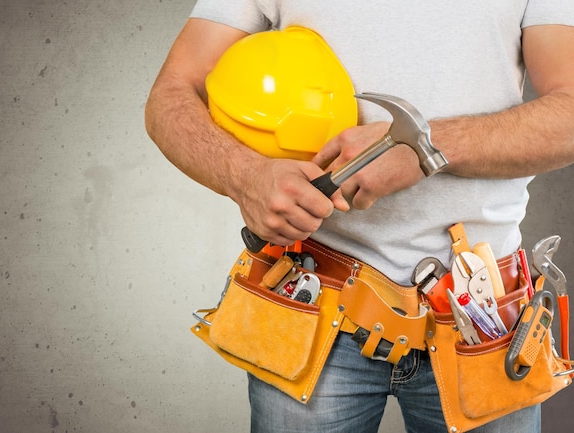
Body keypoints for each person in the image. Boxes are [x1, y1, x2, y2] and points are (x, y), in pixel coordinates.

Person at [145, 2, 574, 432]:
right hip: (313, 301)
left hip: (482, 322)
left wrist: (429, 147)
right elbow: (172, 92)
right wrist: (245, 176)